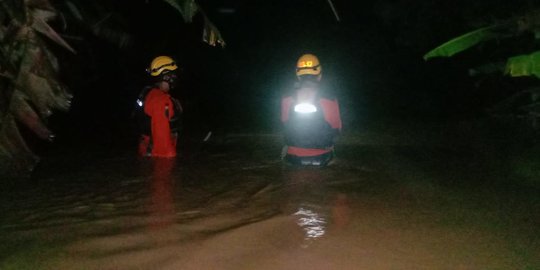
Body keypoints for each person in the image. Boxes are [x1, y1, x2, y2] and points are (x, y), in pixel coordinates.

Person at [281, 53, 342, 166]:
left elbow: (284, 123)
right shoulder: (329, 97)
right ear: (319, 75)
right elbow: (337, 128)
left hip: (292, 158)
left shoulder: (287, 98)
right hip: (323, 158)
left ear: (298, 75)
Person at [137, 55, 182, 158]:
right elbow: (162, 146)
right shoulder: (160, 101)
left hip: (148, 153)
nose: (175, 78)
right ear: (166, 77)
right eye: (173, 75)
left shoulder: (151, 93)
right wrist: (168, 167)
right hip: (156, 156)